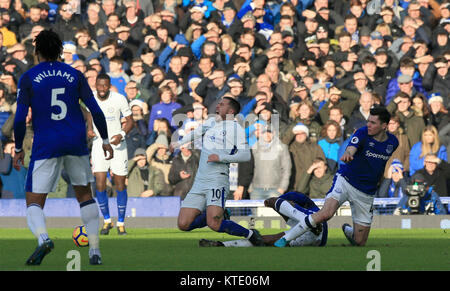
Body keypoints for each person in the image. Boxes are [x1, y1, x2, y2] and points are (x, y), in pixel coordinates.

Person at [12, 30, 113, 265]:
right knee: (85, 196)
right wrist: (105, 141)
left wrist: (18, 148)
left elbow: (19, 119)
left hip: (46, 143)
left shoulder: (28, 77)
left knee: (34, 201)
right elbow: (95, 111)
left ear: (36, 51)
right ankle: (95, 250)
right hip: (75, 141)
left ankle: (43, 239)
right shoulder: (75, 75)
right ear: (60, 51)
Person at [274, 106, 399, 247]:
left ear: (384, 126)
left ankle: (348, 230)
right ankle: (286, 239)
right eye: (368, 121)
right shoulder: (363, 132)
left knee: (360, 242)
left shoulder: (393, 142)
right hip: (345, 181)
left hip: (366, 192)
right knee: (326, 213)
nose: (368, 125)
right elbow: (352, 147)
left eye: (373, 123)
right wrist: (349, 153)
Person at [172, 97, 264, 246]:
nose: (218, 106)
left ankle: (251, 234)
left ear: (231, 111)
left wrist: (221, 157)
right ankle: (217, 214)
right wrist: (179, 142)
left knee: (214, 224)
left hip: (217, 180)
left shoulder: (236, 130)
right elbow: (197, 132)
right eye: (218, 103)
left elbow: (245, 155)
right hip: (200, 181)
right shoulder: (211, 122)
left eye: (222, 104)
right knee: (183, 224)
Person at [88, 73, 133, 236]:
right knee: (99, 183)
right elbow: (88, 114)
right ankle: (107, 221)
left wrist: (121, 134)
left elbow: (130, 120)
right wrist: (89, 128)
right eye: (99, 85)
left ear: (109, 85)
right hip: (99, 144)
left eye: (105, 86)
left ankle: (121, 222)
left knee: (120, 183)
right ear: (96, 85)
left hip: (118, 145)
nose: (102, 89)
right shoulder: (90, 97)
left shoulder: (119, 98)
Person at [199, 192, 327, 247]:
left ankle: (311, 223)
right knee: (265, 241)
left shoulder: (309, 209)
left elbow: (291, 198)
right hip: (318, 238)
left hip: (313, 226)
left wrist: (276, 201)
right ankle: (222, 245)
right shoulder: (309, 209)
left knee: (273, 201)